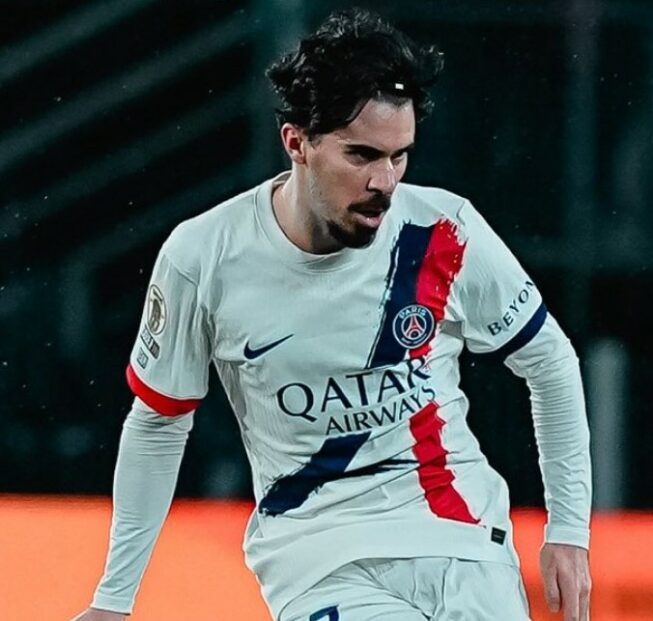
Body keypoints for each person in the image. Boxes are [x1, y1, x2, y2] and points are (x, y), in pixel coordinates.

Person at [72, 8, 592, 621]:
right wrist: (113, 600)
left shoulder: (443, 231)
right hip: (319, 557)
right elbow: (159, 423)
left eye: (399, 156)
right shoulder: (204, 256)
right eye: (362, 155)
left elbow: (550, 360)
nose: (385, 181)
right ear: (296, 142)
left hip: (462, 538)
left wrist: (569, 530)